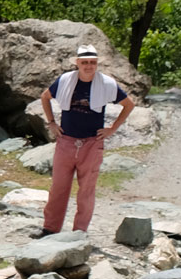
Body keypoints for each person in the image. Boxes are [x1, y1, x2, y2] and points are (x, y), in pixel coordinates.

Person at [36, 44, 136, 236]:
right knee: (58, 187)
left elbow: (128, 104)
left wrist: (112, 129)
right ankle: (50, 229)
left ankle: (79, 232)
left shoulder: (106, 83)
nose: (88, 66)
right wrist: (51, 123)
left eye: (92, 62)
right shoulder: (65, 80)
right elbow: (45, 97)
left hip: (92, 143)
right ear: (78, 64)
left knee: (86, 191)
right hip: (66, 140)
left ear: (96, 64)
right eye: (85, 62)